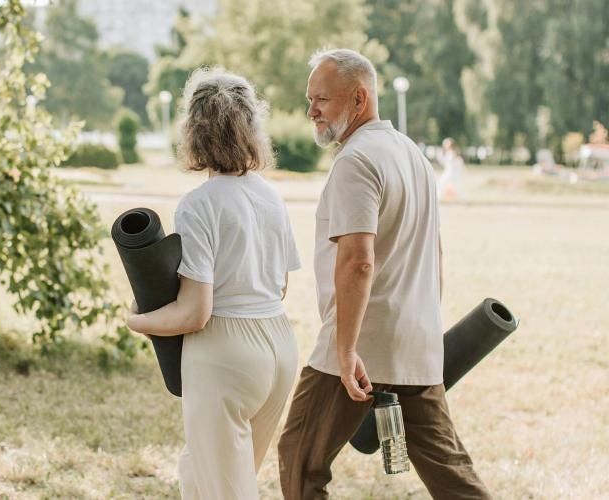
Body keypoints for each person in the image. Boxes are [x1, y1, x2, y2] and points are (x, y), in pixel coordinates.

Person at [277, 48, 491, 500]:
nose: (311, 111)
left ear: (359, 99)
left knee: (300, 457)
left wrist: (346, 348)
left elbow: (358, 259)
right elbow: (434, 254)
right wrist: (428, 329)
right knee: (451, 474)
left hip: (361, 345)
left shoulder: (355, 160)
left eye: (323, 100)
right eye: (310, 99)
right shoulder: (412, 154)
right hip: (416, 342)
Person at [127, 68, 301, 499]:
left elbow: (195, 311)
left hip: (226, 353)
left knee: (222, 490)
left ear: (193, 131)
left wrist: (136, 320)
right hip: (279, 349)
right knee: (210, 477)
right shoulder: (270, 195)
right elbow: (280, 285)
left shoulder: (198, 205)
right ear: (251, 129)